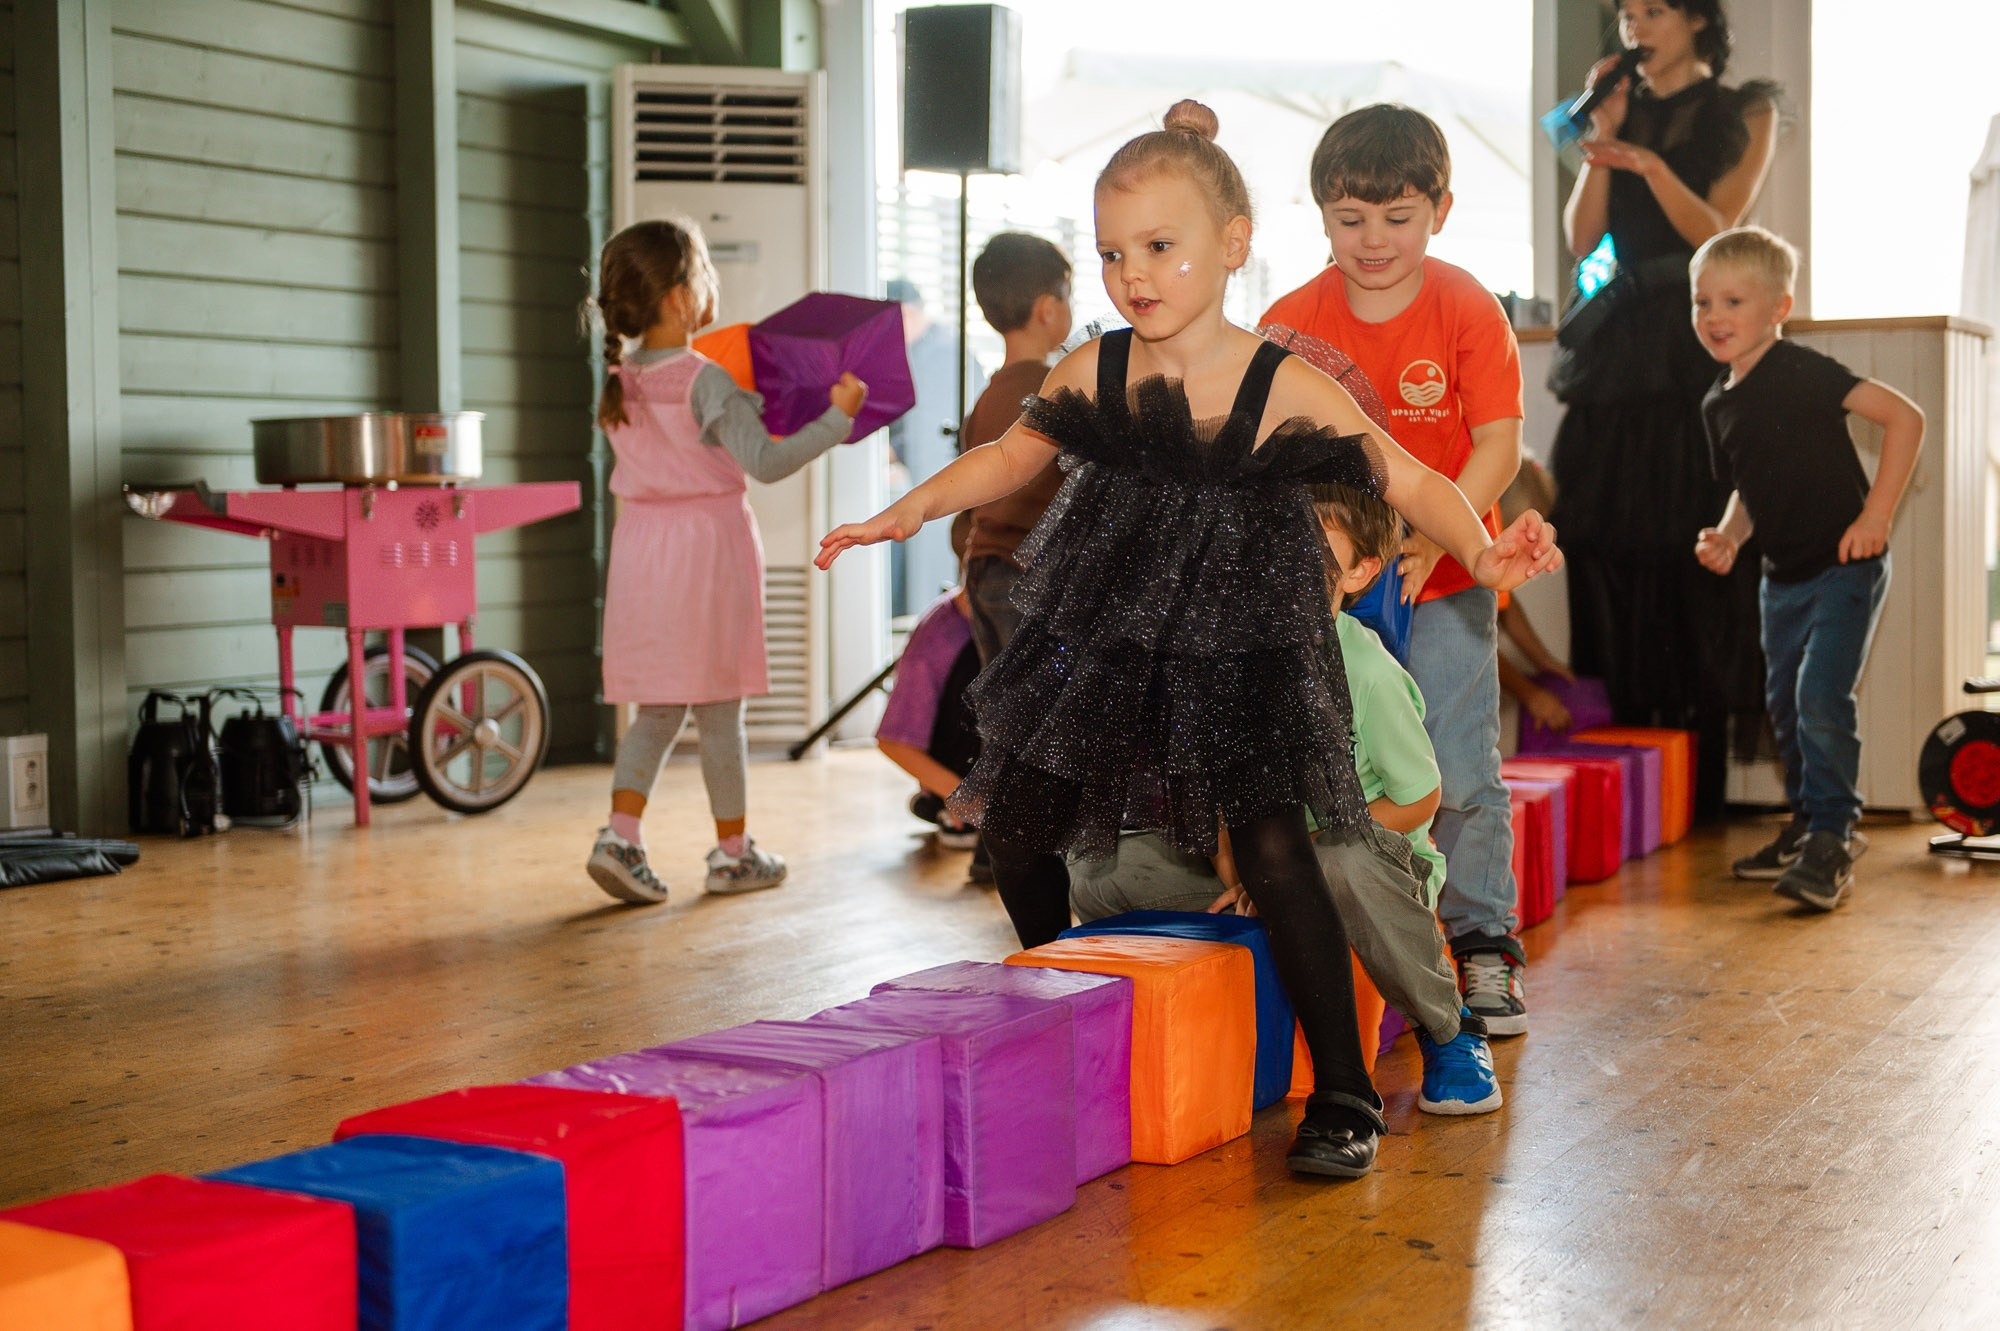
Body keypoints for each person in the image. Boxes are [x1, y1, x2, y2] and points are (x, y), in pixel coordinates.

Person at [818, 100, 1560, 1179]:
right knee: (1022, 828)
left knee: (1272, 844)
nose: (1132, 274)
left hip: (1237, 646)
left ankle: (1345, 1090)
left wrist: (1481, 553)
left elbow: (1403, 476)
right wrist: (908, 508)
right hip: (1114, 630)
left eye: (1159, 247)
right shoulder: (1096, 369)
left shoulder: (1272, 382)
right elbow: (1006, 462)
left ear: (1231, 245)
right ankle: (1054, 1010)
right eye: (1113, 252)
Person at [1079, 482, 1502, 1116]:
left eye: (1315, 542)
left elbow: (1421, 800)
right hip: (1266, 867)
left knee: (1339, 861)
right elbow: (1221, 783)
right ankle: (1226, 991)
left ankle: (1450, 1029)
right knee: (1098, 871)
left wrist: (1289, 860)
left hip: (1367, 865)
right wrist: (1238, 862)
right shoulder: (1234, 655)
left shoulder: (1369, 671)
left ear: (1361, 570)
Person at [1261, 103, 1532, 1038]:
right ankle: (1351, 928)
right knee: (1331, 762)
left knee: (1458, 770)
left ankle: (1485, 940)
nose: (1373, 239)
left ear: (1441, 210)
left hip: (1448, 579)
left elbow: (1499, 446)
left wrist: (1436, 541)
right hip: (1329, 586)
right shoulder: (1289, 321)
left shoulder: (1464, 306)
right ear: (1322, 214)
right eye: (1350, 218)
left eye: (1398, 216)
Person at [584, 218, 867, 905]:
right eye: (704, 274)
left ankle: (620, 836)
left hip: (643, 554)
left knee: (657, 709)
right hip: (705, 555)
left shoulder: (622, 377)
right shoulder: (703, 380)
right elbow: (765, 463)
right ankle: (734, 853)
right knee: (718, 710)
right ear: (681, 298)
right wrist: (837, 420)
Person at [1548, 0, 1780, 821]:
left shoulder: (1742, 108)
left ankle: (1704, 782)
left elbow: (1717, 228)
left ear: (1693, 18)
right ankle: (1637, 774)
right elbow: (1586, 240)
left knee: (1698, 546)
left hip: (1694, 333)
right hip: (1619, 343)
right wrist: (1603, 146)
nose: (1634, 25)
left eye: (1651, 10)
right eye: (1625, 13)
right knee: (1612, 546)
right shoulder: (1620, 102)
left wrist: (1647, 161)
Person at [1690, 226, 1922, 911]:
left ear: (1778, 308)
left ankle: (1833, 834)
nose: (1714, 316)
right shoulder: (1717, 404)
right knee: (1787, 710)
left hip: (1846, 568)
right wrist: (1732, 536)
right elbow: (1749, 487)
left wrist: (1875, 517)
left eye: (1733, 300)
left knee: (1821, 697)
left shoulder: (1802, 372)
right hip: (1780, 578)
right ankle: (1806, 823)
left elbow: (1905, 419)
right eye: (1702, 302)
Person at [958, 233, 1074, 667]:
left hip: (983, 572)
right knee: (1038, 718)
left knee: (1004, 715)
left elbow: (967, 505)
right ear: (1048, 309)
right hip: (1028, 574)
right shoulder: (1052, 392)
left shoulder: (986, 399)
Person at [875, 588, 983, 851]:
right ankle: (946, 802)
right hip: (963, 773)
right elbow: (894, 741)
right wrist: (962, 795)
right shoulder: (938, 639)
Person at [886, 278, 966, 617]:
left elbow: (923, 436)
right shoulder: (920, 350)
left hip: (941, 483)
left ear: (905, 313)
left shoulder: (942, 354)